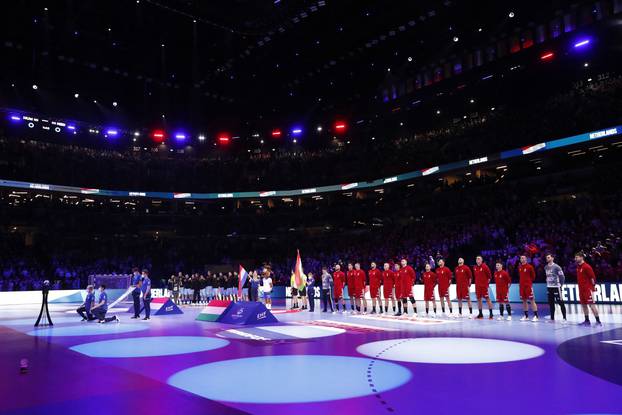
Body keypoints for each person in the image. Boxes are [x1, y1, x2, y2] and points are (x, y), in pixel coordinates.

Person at [575, 252, 602, 326]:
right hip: (581, 290)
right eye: (575, 257)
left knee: (592, 305)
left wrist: (592, 289)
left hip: (588, 289)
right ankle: (587, 320)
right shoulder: (578, 267)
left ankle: (598, 321)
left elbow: (593, 278)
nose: (575, 259)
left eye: (577, 257)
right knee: (584, 305)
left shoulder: (587, 267)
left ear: (581, 257)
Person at [544, 253, 567, 322]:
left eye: (548, 257)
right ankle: (552, 318)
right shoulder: (545, 267)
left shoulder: (557, 267)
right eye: (546, 257)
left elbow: (562, 276)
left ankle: (564, 318)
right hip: (549, 287)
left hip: (556, 287)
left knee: (560, 302)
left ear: (552, 258)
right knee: (551, 303)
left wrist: (560, 285)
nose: (547, 259)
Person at [518, 255, 538, 322]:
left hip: (528, 287)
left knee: (532, 300)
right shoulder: (520, 267)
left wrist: (528, 283)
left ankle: (536, 316)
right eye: (521, 258)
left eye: (523, 258)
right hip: (521, 287)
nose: (522, 259)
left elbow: (533, 276)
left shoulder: (530, 267)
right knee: (524, 301)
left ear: (526, 259)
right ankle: (526, 316)